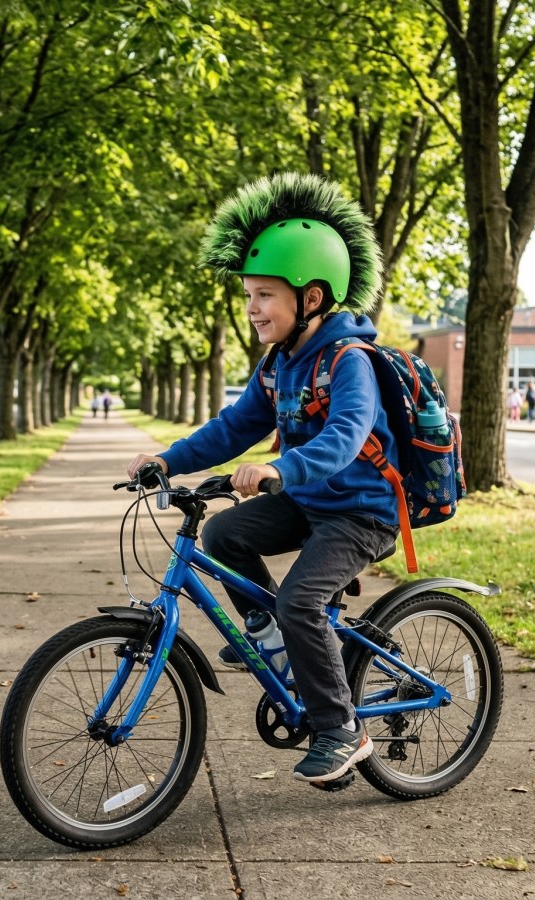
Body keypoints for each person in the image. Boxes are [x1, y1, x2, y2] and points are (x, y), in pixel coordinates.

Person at [126, 172, 396, 786]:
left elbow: (345, 437)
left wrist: (279, 468)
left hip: (361, 511)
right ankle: (273, 639)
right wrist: (168, 459)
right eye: (249, 296)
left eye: (266, 295)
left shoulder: (349, 361)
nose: (252, 309)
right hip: (306, 499)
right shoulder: (280, 363)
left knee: (301, 601)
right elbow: (235, 425)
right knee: (224, 537)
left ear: (313, 298)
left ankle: (342, 728)